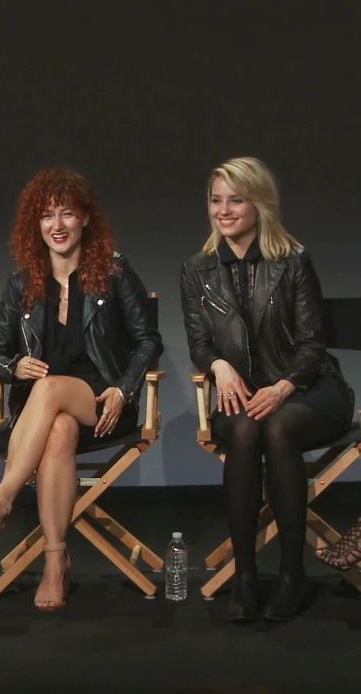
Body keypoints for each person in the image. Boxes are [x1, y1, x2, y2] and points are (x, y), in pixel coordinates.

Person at [0, 168, 162, 611]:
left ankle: (0, 502)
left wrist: (125, 389)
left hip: (104, 401)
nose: (58, 225)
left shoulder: (115, 273)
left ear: (86, 219)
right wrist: (13, 365)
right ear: (37, 224)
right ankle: (55, 561)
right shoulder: (21, 284)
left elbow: (149, 340)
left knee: (49, 392)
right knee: (59, 429)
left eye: (68, 213)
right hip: (43, 419)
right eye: (48, 216)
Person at [180, 157, 354, 622]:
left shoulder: (292, 261)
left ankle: (291, 575)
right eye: (217, 200)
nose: (224, 210)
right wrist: (218, 365)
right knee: (242, 431)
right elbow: (197, 342)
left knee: (276, 427)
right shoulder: (196, 269)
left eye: (236, 200)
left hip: (311, 389)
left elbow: (313, 344)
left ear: (259, 205)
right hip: (244, 396)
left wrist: (282, 387)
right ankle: (245, 575)